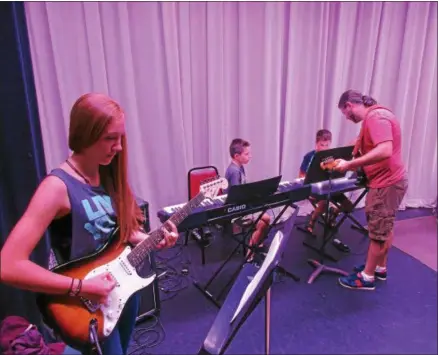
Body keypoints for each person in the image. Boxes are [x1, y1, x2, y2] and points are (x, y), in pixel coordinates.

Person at [0, 93, 179, 354]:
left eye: (120, 138)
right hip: (86, 303)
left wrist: (151, 240)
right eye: (110, 138)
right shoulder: (56, 187)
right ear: (84, 135)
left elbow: (120, 233)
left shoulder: (107, 174)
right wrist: (82, 287)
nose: (118, 147)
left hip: (122, 289)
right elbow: (8, 265)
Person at [334, 89, 408, 290]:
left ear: (349, 105)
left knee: (377, 232)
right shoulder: (375, 116)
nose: (347, 118)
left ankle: (366, 278)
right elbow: (362, 142)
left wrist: (349, 165)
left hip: (386, 183)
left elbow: (384, 150)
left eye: (344, 113)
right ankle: (379, 268)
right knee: (386, 226)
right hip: (392, 181)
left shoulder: (376, 117)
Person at [299, 129, 353, 253]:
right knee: (323, 203)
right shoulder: (310, 156)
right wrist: (308, 187)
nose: (324, 147)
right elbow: (301, 175)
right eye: (322, 145)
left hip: (330, 187)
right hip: (315, 189)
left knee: (349, 206)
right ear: (316, 143)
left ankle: (332, 216)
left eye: (327, 145)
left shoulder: (331, 156)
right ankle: (311, 222)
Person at [225, 138, 271, 262]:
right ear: (236, 156)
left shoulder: (240, 167)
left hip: (243, 205)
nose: (250, 156)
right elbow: (236, 196)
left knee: (266, 218)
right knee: (265, 221)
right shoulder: (234, 171)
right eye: (246, 154)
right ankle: (250, 252)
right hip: (236, 210)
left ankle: (258, 243)